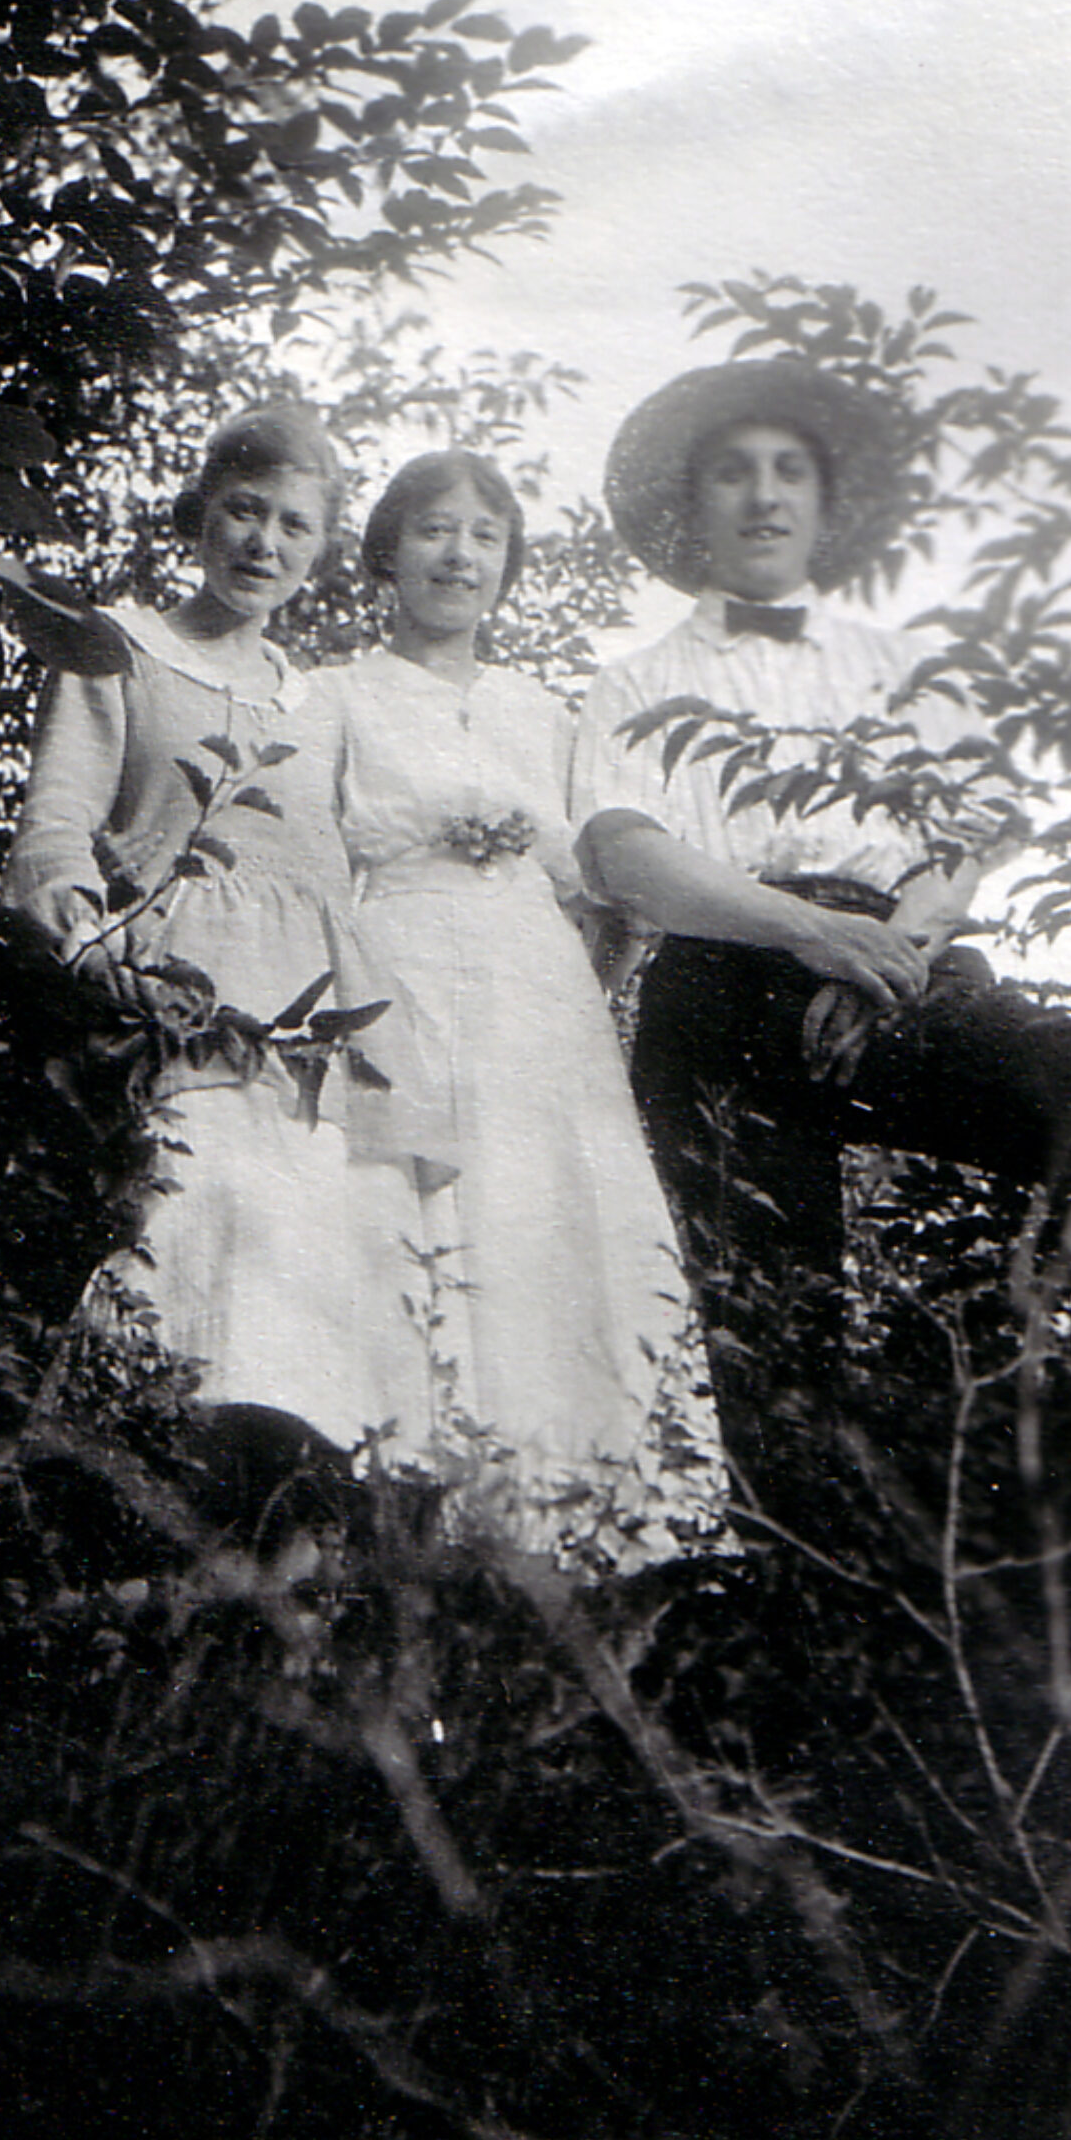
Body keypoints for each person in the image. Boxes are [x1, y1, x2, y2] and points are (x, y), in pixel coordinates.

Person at [570, 359, 1071, 1508]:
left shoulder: (898, 665)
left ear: (826, 503)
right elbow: (629, 857)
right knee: (778, 1336)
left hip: (890, 974)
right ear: (692, 503)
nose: (764, 497)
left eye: (788, 472)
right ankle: (795, 1612)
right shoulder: (635, 679)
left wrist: (888, 959)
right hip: (726, 988)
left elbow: (959, 844)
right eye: (733, 473)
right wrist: (810, 934)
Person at [296, 450, 729, 1575]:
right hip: (394, 978)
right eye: (434, 531)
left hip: (539, 1000)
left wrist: (581, 983)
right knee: (417, 1229)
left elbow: (606, 888)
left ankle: (582, 1534)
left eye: (484, 538)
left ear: (506, 568)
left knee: (551, 1225)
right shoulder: (333, 694)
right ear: (387, 554)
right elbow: (298, 865)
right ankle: (416, 1531)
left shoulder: (544, 712)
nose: (458, 555)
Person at [5, 403, 428, 1458]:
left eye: (294, 525)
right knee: (195, 1229)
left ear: (321, 551)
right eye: (244, 511)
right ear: (200, 515)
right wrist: (89, 940)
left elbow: (354, 862)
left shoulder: (320, 701)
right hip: (182, 990)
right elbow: (56, 824)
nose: (263, 543)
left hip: (317, 1017)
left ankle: (294, 1521)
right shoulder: (117, 649)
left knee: (320, 1259)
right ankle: (138, 1487)